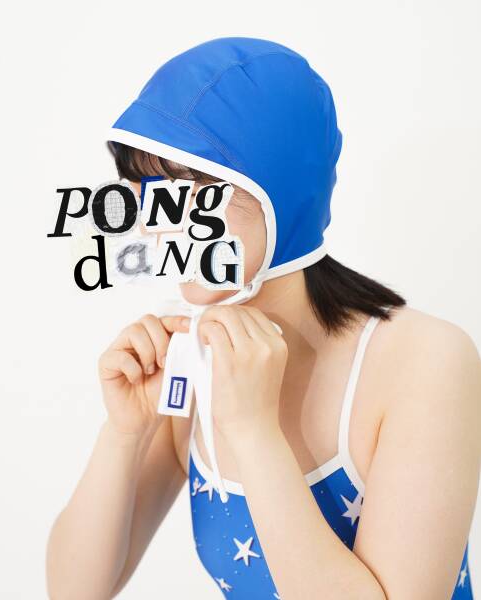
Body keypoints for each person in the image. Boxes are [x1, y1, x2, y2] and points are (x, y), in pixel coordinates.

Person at [46, 37, 480, 599]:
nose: (161, 218)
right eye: (145, 189)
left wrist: (254, 434)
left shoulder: (427, 361)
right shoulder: (190, 360)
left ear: (278, 190)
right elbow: (74, 591)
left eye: (191, 189)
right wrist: (124, 433)